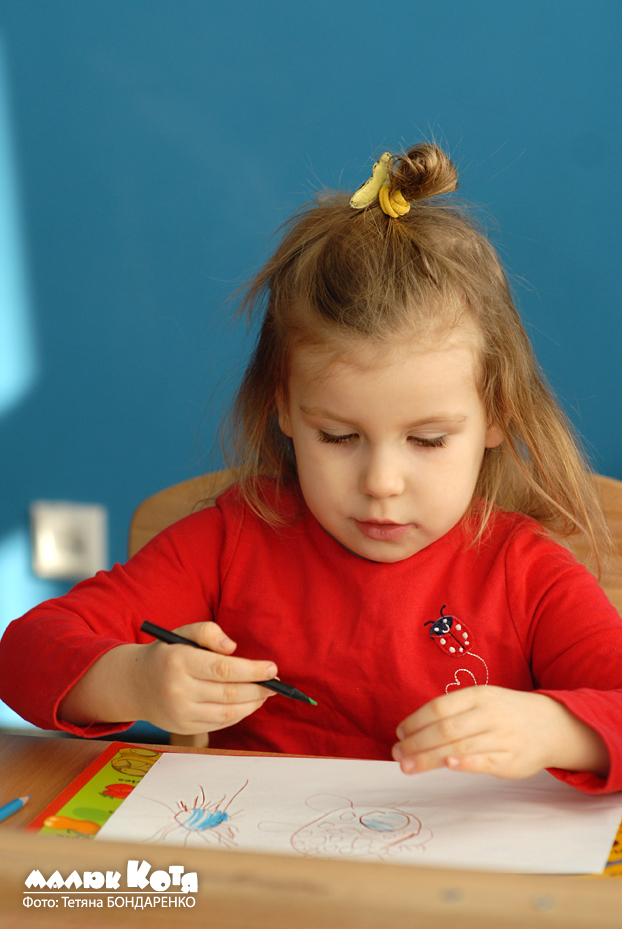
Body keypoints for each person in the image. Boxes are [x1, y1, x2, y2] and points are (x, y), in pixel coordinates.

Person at [1, 143, 621, 794]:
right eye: (339, 436)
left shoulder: (527, 575)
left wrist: (555, 729)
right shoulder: (230, 543)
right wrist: (133, 680)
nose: (381, 483)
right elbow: (24, 652)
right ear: (285, 408)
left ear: (497, 415)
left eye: (428, 440)